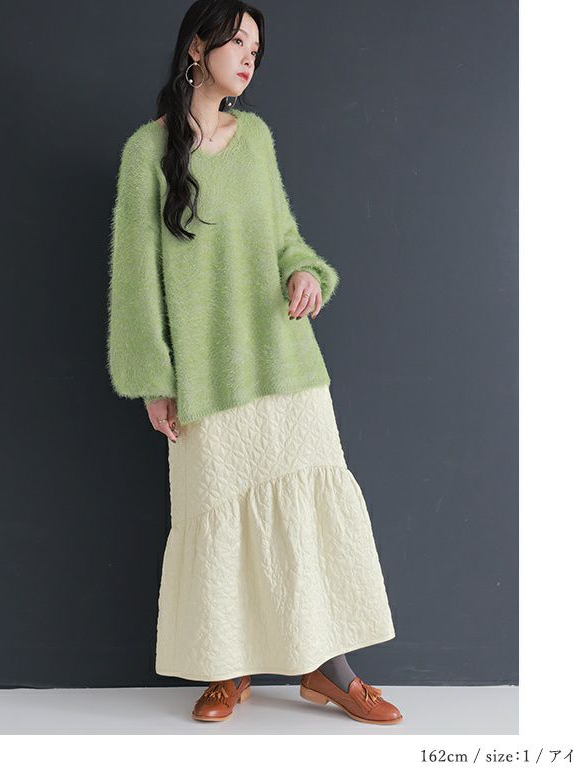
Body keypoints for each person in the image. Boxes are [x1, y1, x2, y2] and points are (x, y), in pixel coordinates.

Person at [107, 0, 402, 726]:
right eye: (237, 41)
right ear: (197, 47)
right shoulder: (147, 152)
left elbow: (284, 238)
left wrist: (306, 273)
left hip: (282, 361)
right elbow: (136, 281)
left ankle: (327, 668)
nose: (248, 56)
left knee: (305, 518)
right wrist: (152, 380)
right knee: (213, 516)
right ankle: (226, 667)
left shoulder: (258, 138)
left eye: (256, 48)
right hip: (205, 377)